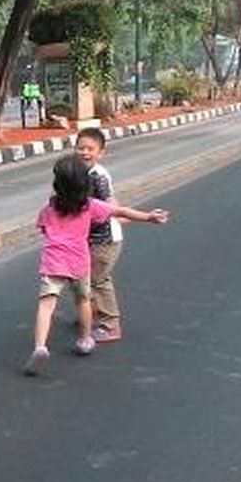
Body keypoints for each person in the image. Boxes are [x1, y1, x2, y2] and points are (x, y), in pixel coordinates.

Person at [23, 154, 168, 376]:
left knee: (46, 305)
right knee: (83, 300)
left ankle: (40, 346)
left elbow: (43, 227)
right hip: (80, 262)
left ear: (57, 185)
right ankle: (84, 339)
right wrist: (149, 217)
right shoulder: (90, 206)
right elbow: (120, 212)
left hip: (53, 264)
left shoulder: (48, 210)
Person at [74, 128, 170, 343]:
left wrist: (143, 218)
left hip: (105, 240)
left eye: (90, 149)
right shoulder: (82, 173)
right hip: (92, 238)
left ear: (101, 153)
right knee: (86, 278)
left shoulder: (98, 176)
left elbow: (111, 207)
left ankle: (110, 326)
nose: (84, 153)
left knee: (98, 280)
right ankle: (92, 313)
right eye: (81, 148)